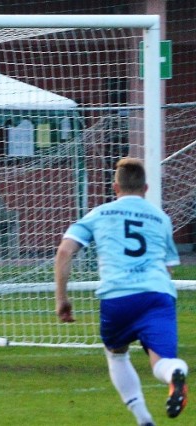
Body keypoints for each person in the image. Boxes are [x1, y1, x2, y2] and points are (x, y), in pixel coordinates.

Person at [55, 157, 188, 425]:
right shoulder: (161, 218)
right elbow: (168, 267)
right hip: (156, 295)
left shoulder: (99, 214)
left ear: (115, 188)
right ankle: (175, 371)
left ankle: (144, 419)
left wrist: (62, 299)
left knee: (116, 354)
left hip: (118, 297)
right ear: (146, 189)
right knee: (162, 362)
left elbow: (64, 252)